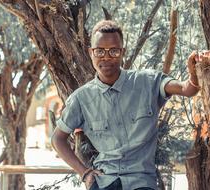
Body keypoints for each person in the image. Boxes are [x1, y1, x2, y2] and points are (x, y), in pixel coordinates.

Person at [51, 20, 201, 190]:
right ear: (91, 53)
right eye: (100, 51)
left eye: (114, 51)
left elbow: (187, 89)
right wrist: (84, 172)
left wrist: (193, 74)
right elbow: (57, 138)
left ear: (123, 52)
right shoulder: (81, 99)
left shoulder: (148, 82)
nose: (106, 57)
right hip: (104, 181)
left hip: (142, 182)